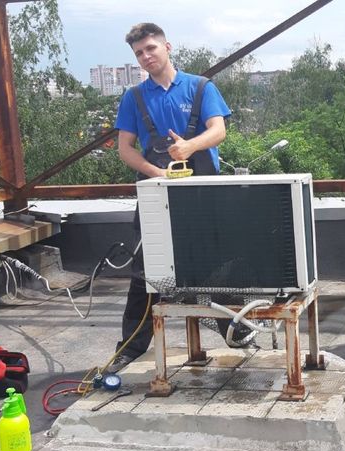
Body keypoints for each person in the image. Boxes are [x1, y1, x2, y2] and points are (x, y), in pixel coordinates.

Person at [108, 22, 237, 373]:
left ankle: (235, 330)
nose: (146, 56)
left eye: (151, 48)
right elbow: (125, 149)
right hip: (156, 194)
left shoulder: (200, 87)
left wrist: (189, 147)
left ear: (167, 46)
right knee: (146, 271)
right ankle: (131, 347)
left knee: (218, 263)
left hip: (203, 192)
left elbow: (218, 130)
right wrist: (157, 172)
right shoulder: (134, 97)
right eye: (139, 53)